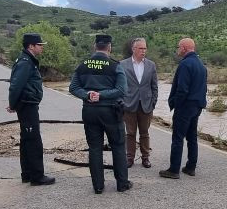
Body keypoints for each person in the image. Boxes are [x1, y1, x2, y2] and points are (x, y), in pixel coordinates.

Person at [69, 34, 132, 194]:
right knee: (118, 146)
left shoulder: (83, 65)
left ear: (94, 46)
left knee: (94, 148)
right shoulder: (115, 66)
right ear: (109, 47)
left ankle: (98, 186)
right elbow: (122, 90)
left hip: (90, 111)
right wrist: (102, 95)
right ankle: (122, 184)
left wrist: (88, 95)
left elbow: (73, 88)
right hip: (111, 111)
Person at [7, 33, 55, 186]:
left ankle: (27, 173)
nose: (42, 47)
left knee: (26, 139)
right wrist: (13, 104)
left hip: (27, 103)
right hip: (27, 105)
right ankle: (37, 176)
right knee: (33, 140)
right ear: (31, 46)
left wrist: (14, 103)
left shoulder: (27, 60)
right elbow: (15, 85)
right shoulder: (26, 62)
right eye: (40, 45)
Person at [160, 37, 207, 179]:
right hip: (197, 106)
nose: (177, 49)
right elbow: (204, 88)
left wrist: (176, 105)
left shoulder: (185, 65)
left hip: (185, 106)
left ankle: (174, 170)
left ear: (184, 48)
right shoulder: (201, 65)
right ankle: (190, 167)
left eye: (178, 47)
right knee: (192, 137)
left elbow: (182, 89)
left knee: (178, 137)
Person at [120, 37, 159, 168]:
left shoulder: (151, 65)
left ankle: (145, 158)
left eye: (145, 48)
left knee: (144, 133)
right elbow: (119, 86)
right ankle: (129, 158)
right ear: (133, 49)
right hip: (129, 105)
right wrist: (122, 102)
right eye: (141, 48)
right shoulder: (123, 65)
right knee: (130, 133)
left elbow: (154, 86)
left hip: (146, 105)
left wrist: (153, 102)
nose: (143, 51)